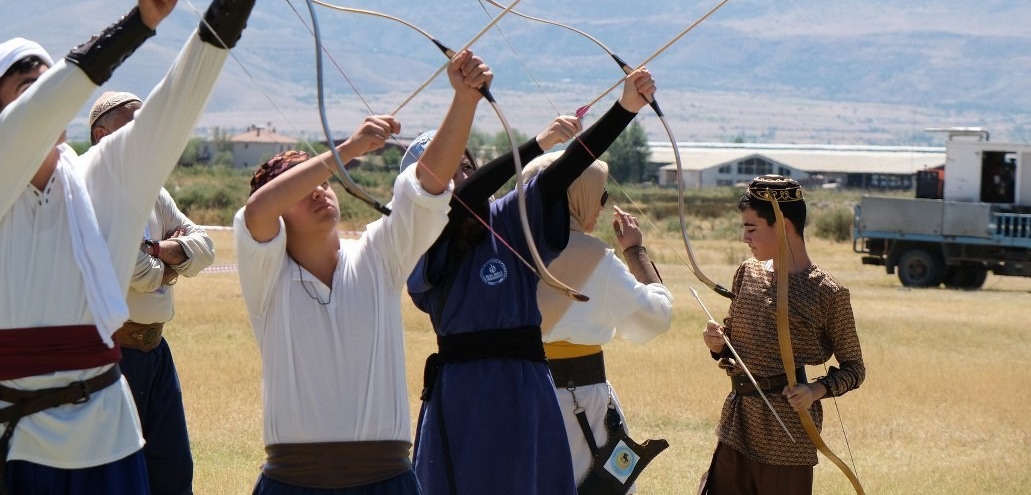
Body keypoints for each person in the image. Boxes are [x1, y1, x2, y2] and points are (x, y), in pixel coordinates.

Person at [0, 0, 287, 495]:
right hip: (3, 439)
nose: (51, 103)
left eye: (48, 87)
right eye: (28, 93)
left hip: (105, 437)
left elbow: (178, 101)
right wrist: (137, 24)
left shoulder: (97, 177)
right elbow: (51, 104)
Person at [233, 49, 494, 495]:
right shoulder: (266, 277)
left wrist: (465, 100)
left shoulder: (378, 255)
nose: (320, 189)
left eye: (324, 182)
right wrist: (347, 150)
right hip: (292, 481)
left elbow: (426, 186)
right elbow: (258, 210)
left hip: (386, 479)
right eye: (302, 185)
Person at [407, 68, 659, 495]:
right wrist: (537, 145)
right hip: (466, 394)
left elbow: (564, 172)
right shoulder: (419, 239)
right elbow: (456, 204)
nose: (460, 175)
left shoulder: (508, 220)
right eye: (445, 169)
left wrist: (625, 108)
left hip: (527, 387)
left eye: (465, 165)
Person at [698, 175, 866, 495]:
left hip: (788, 433)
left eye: (751, 228)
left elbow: (855, 369)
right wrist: (717, 343)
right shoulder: (747, 272)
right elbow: (732, 342)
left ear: (784, 226)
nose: (745, 238)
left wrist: (816, 389)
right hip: (738, 423)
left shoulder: (827, 292)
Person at [518, 153, 673, 492]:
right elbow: (655, 318)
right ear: (576, 197)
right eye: (599, 196)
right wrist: (636, 253)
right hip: (579, 404)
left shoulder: (503, 249)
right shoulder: (598, 260)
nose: (601, 206)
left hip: (511, 396)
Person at [88, 90, 217, 495]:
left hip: (154, 351)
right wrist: (170, 264)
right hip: (108, 357)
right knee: (113, 477)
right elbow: (136, 272)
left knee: (172, 474)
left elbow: (205, 249)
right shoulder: (90, 189)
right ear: (101, 134)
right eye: (135, 123)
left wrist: (159, 251)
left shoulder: (152, 192)